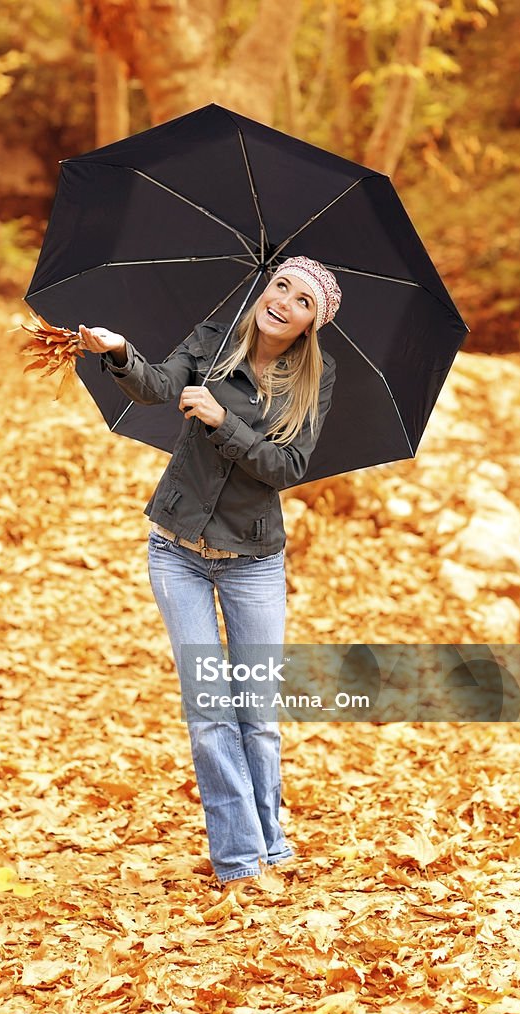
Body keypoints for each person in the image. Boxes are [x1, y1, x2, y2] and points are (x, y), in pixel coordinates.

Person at [77, 256, 341, 898]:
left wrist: (226, 424)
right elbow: (156, 386)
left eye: (302, 299)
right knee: (211, 711)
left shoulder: (315, 380)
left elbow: (286, 468)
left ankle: (270, 837)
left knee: (257, 712)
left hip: (252, 560)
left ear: (311, 322)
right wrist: (118, 352)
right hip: (176, 550)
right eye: (280, 285)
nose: (283, 301)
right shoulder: (214, 338)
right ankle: (239, 858)